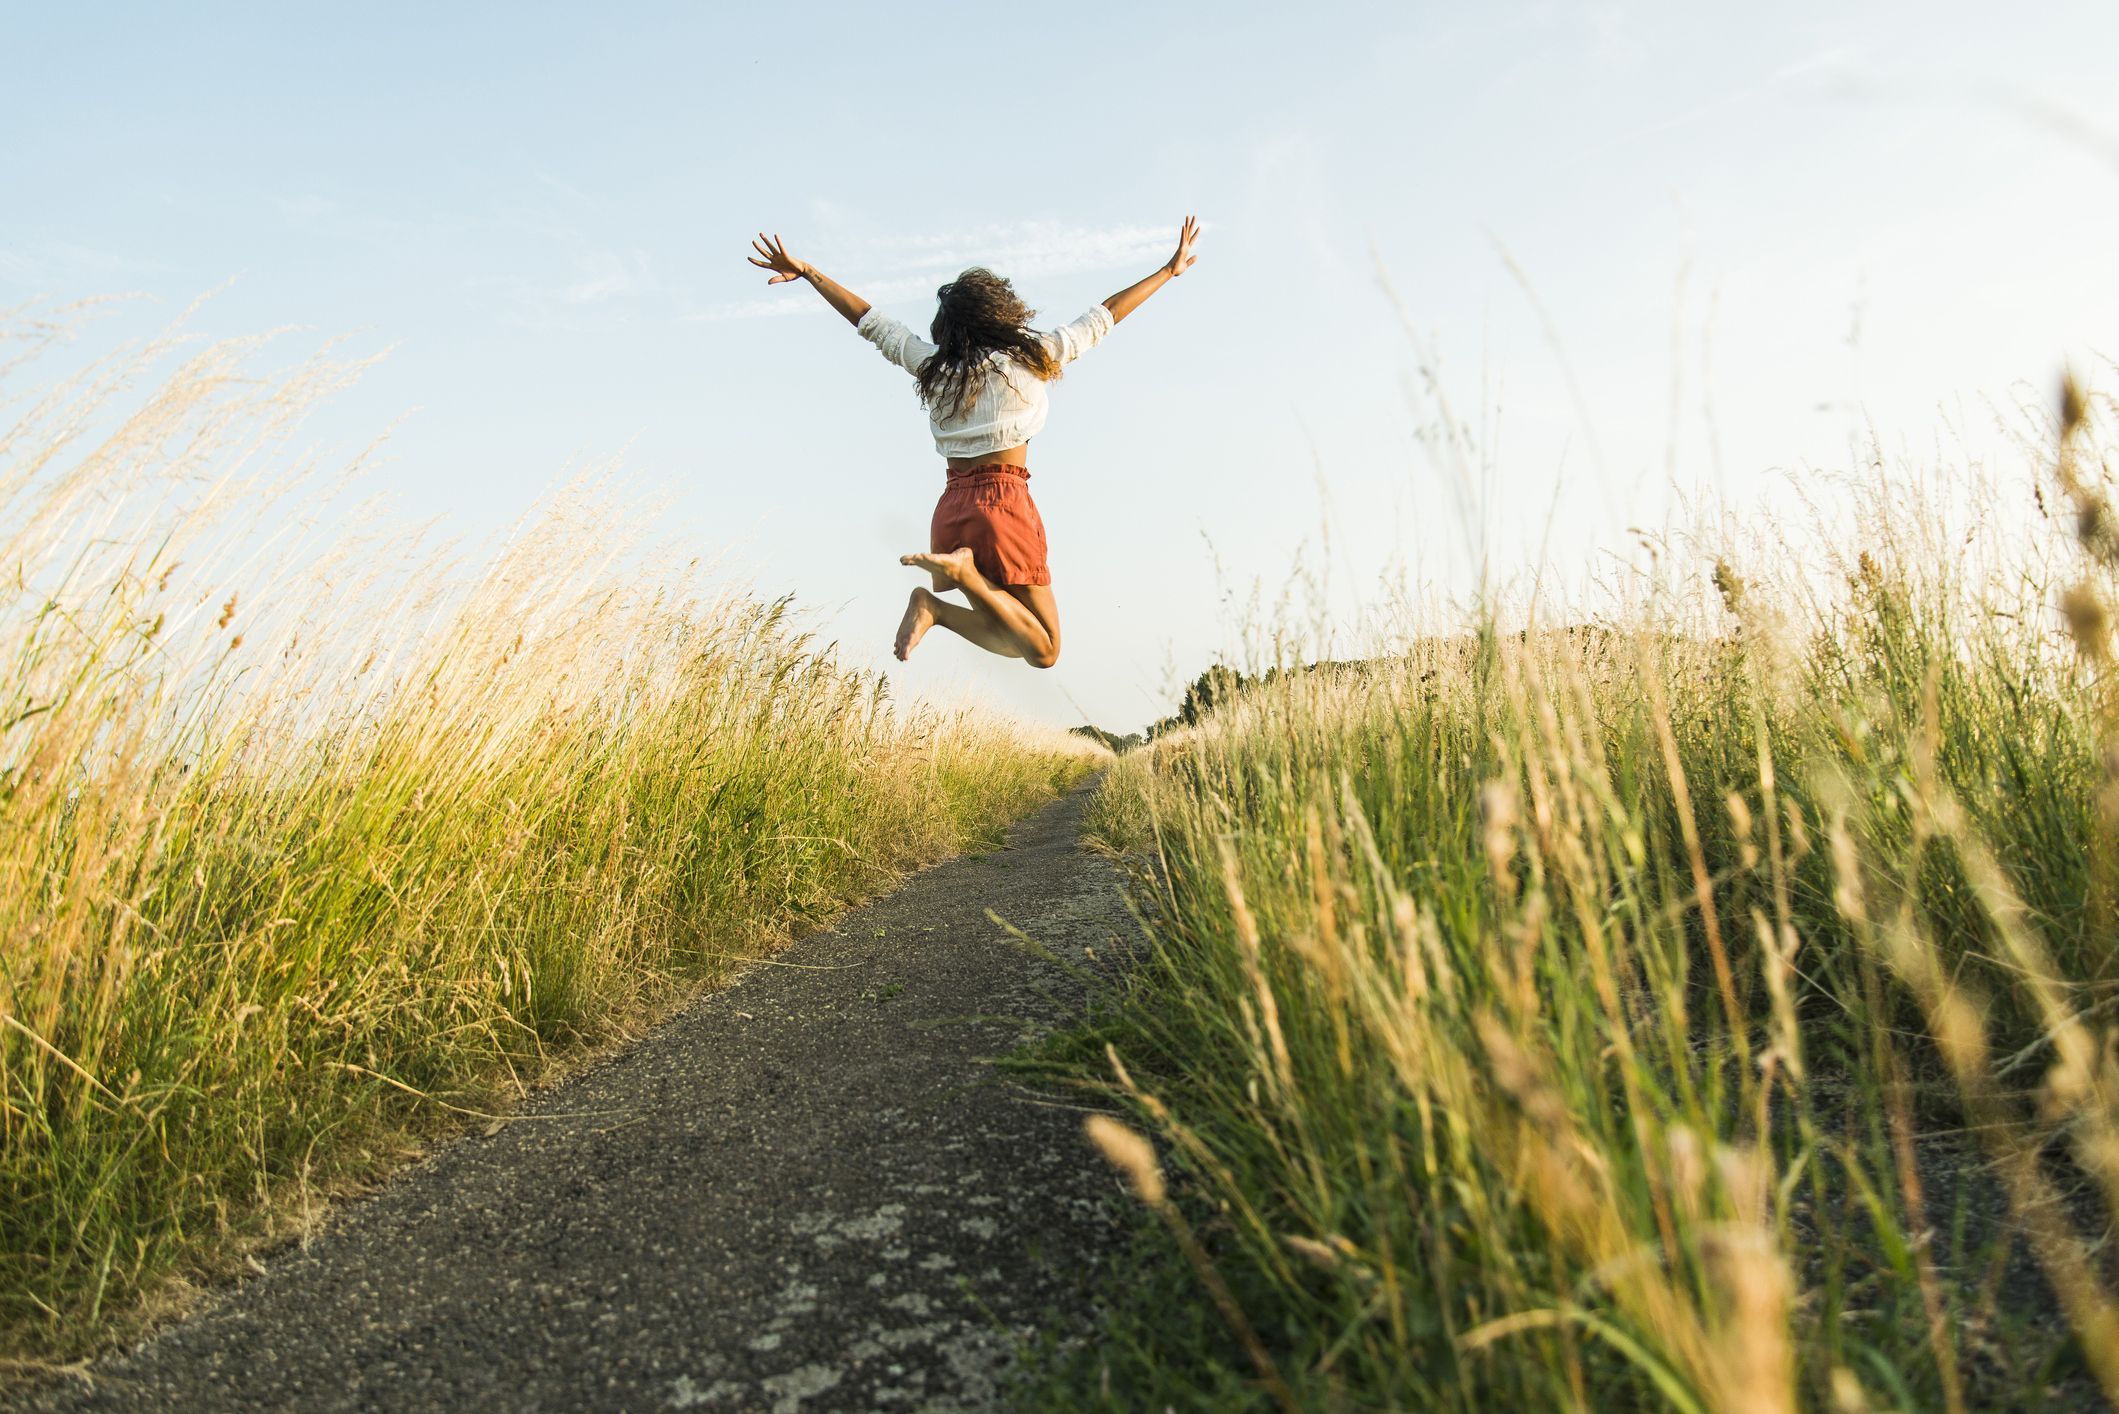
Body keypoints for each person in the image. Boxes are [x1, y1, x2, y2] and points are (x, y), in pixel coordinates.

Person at [746, 217, 1201, 667]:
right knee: (1044, 650)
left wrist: (809, 273)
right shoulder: (1032, 356)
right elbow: (1105, 316)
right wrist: (1168, 271)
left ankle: (936, 607)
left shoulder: (934, 369)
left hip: (952, 510)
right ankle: (953, 586)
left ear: (949, 328)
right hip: (1004, 504)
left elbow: (870, 321)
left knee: (1011, 637)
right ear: (1000, 313)